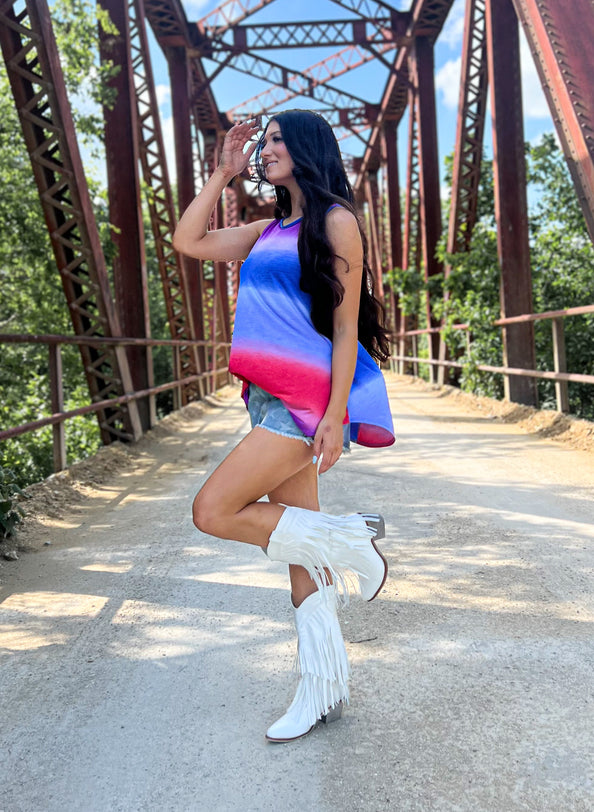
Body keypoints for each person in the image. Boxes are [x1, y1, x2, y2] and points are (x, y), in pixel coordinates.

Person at [172, 109, 395, 743]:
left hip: (305, 403)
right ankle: (321, 688)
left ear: (305, 148)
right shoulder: (269, 229)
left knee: (212, 510)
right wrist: (222, 174)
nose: (265, 149)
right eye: (263, 141)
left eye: (276, 141)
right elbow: (189, 241)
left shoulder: (336, 222)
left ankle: (351, 537)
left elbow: (346, 328)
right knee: (301, 553)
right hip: (265, 400)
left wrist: (334, 416)